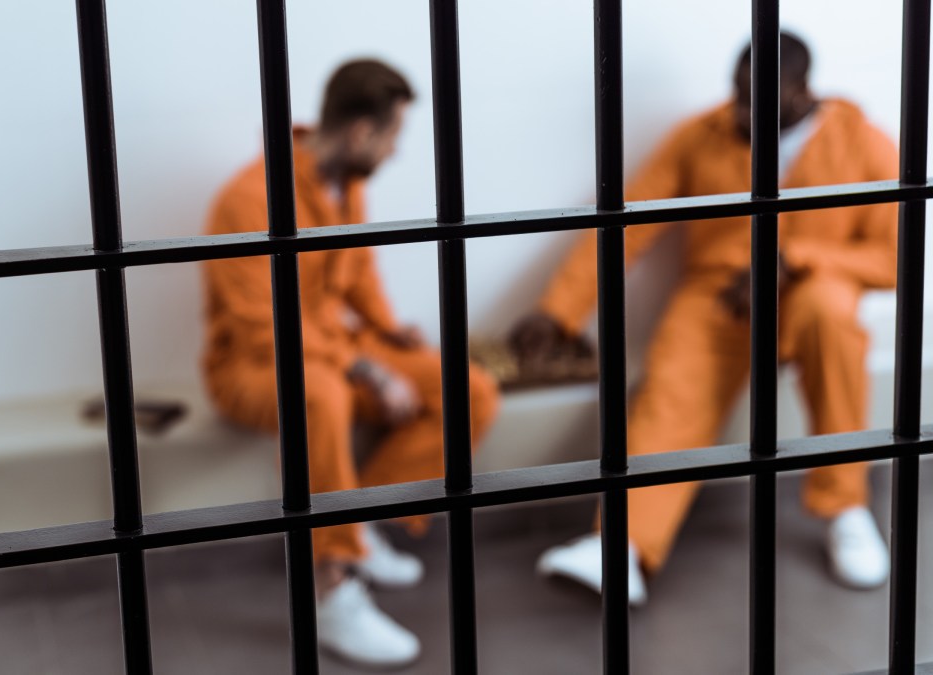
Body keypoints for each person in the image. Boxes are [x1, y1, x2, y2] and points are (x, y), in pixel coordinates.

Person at [511, 33, 897, 604]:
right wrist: (559, 310)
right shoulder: (701, 136)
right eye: (737, 96)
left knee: (831, 316)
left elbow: (894, 258)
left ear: (802, 93)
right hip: (720, 300)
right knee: (671, 384)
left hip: (811, 295)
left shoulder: (864, 143)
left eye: (758, 102)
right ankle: (621, 547)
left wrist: (796, 260)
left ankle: (845, 506)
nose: (742, 112)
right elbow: (626, 226)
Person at [202, 59, 500, 667]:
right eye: (394, 136)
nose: (395, 152)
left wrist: (390, 334)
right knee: (321, 396)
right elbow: (267, 332)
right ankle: (332, 589)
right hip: (254, 365)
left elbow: (358, 275)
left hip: (334, 350)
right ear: (364, 133)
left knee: (469, 389)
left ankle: (363, 522)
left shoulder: (348, 186)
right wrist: (366, 367)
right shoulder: (247, 200)